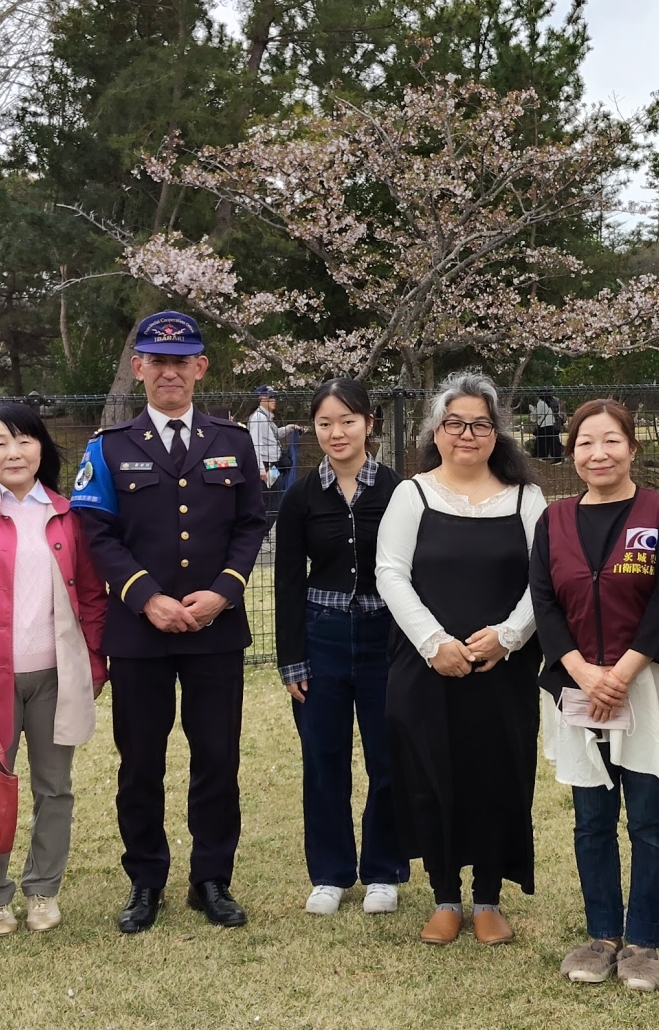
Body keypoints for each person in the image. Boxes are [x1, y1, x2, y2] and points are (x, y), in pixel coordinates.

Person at [70, 310, 269, 933]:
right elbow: (96, 532)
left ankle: (211, 879)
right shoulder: (108, 447)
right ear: (139, 368)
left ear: (200, 368)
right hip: (139, 632)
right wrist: (145, 596)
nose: (169, 372)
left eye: (181, 362)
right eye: (157, 361)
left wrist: (225, 592)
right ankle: (146, 880)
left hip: (215, 631)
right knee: (140, 763)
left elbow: (251, 524)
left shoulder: (234, 440)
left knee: (217, 757)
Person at [531, 399, 659, 993]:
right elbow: (544, 603)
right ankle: (602, 935)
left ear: (632, 448)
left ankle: (644, 941)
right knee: (591, 819)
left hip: (646, 684)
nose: (598, 453)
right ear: (571, 452)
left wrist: (622, 673)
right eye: (585, 442)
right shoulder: (554, 520)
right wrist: (583, 672)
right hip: (577, 685)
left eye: (611, 441)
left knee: (649, 818)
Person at [377, 370, 547, 947]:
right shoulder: (413, 494)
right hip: (428, 669)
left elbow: (544, 580)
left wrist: (509, 635)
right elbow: (390, 574)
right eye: (455, 423)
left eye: (480, 424)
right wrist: (434, 643)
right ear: (436, 432)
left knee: (498, 775)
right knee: (432, 776)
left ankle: (489, 899)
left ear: (497, 433)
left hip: (503, 670)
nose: (467, 435)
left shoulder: (526, 499)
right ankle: (445, 896)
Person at [0, 403, 109, 936]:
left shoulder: (68, 516)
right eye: (0, 442)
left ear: (42, 449)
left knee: (55, 788)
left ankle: (43, 890)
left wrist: (94, 664)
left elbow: (92, 596)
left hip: (56, 676)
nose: (14, 452)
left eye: (25, 440)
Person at [275, 378, 408, 917]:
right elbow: (287, 580)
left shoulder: (399, 491)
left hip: (385, 638)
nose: (337, 432)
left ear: (369, 423)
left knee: (388, 758)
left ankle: (383, 871)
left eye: (348, 421)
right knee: (322, 758)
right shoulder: (301, 497)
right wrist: (292, 659)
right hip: (322, 637)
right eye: (325, 423)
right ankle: (329, 873)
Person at [530, 392, 563, 460]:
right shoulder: (551, 403)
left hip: (544, 425)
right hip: (552, 424)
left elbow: (538, 415)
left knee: (543, 441)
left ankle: (543, 456)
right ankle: (552, 456)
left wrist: (532, 409)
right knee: (550, 441)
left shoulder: (540, 403)